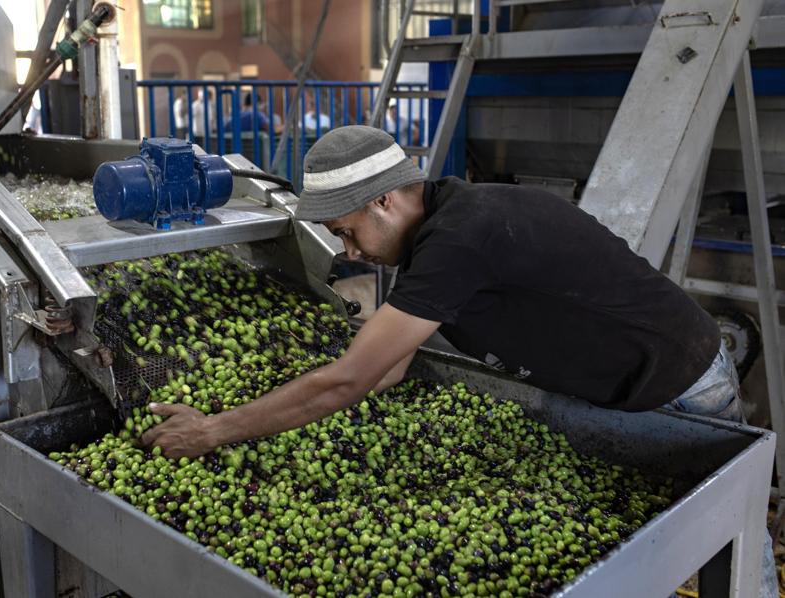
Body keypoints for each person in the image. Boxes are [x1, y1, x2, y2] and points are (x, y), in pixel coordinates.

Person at [143, 125, 776, 594]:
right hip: (610, 389)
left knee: (732, 544)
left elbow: (352, 378)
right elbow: (385, 366)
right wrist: (297, 394)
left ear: (383, 202)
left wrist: (214, 430)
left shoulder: (460, 237)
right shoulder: (440, 231)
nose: (351, 250)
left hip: (680, 382)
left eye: (346, 230)